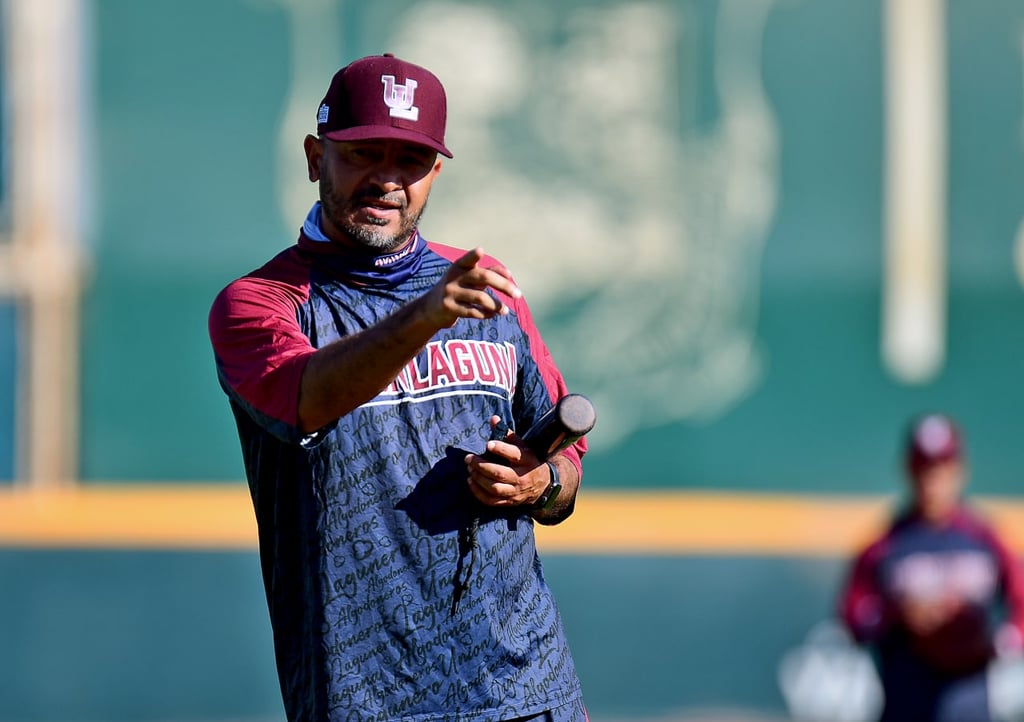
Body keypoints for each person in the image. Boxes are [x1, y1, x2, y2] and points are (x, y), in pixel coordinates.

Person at [208, 53, 589, 722]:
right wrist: (426, 315)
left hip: (524, 687)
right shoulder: (261, 303)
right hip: (366, 697)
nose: (386, 180)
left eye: (409, 161)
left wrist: (541, 485)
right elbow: (306, 399)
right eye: (363, 154)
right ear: (313, 156)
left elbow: (563, 463)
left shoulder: (484, 287)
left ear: (434, 174)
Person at [838, 413, 1024, 722]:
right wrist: (899, 614)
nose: (932, 481)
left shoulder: (985, 539)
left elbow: (1019, 605)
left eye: (941, 469)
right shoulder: (886, 543)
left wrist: (996, 640)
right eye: (923, 469)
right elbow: (854, 615)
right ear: (908, 470)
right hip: (907, 699)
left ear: (960, 471)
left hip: (970, 700)